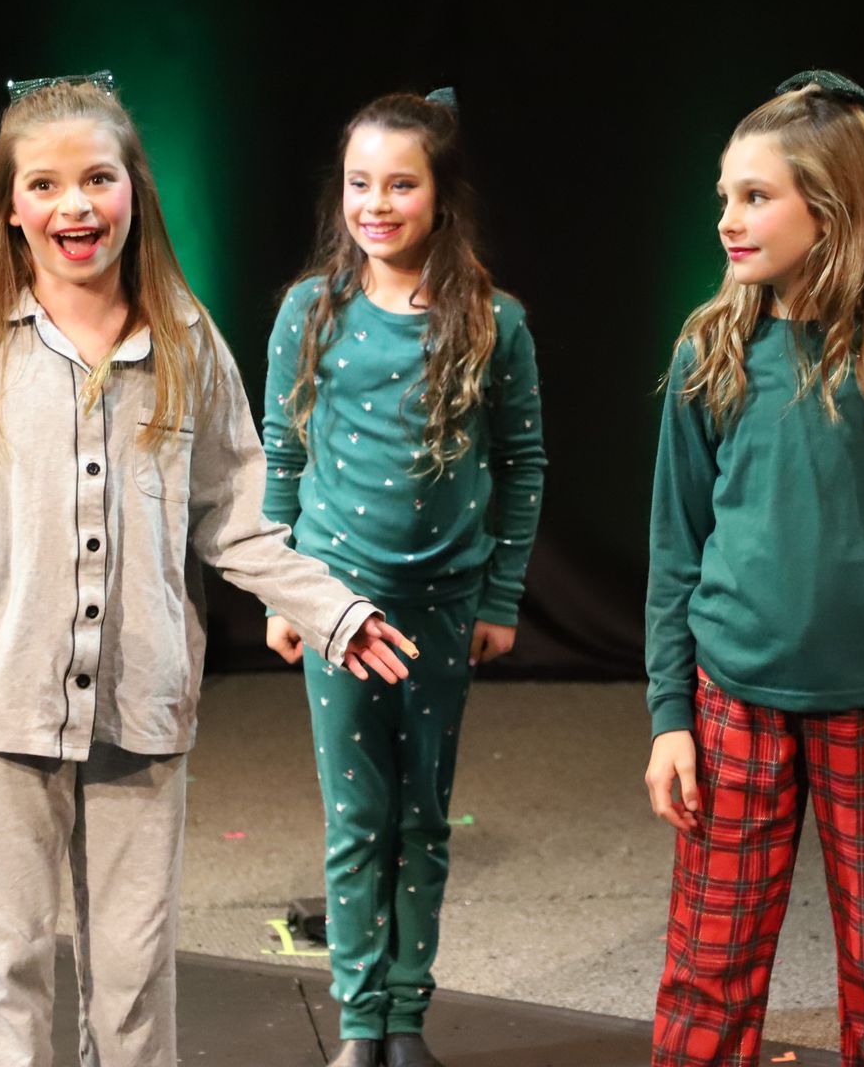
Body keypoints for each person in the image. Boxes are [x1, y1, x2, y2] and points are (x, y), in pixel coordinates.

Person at [0, 73, 416, 1067]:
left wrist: (332, 612)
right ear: (11, 208)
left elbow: (238, 519)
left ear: (134, 191)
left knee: (132, 984)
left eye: (97, 179)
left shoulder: (189, 346)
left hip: (138, 710)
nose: (73, 205)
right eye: (45, 184)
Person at [645, 71, 864, 1067]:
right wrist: (670, 715)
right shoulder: (713, 348)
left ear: (830, 209)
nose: (728, 220)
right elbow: (676, 550)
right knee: (708, 974)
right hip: (732, 702)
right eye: (724, 196)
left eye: (756, 196)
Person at [261, 88, 546, 1067]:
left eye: (400, 183)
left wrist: (502, 595)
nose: (376, 202)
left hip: (442, 603)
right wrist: (283, 591)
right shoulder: (311, 309)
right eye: (359, 183)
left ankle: (405, 1017)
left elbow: (522, 459)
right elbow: (283, 453)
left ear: (441, 196)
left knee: (421, 813)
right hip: (338, 604)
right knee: (356, 815)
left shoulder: (492, 321)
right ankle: (358, 1018)